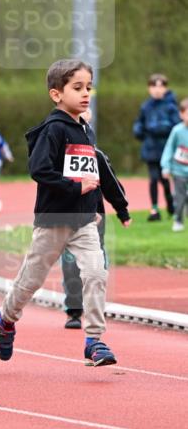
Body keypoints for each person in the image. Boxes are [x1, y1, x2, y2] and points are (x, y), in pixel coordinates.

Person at [0, 58, 131, 367]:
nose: (85, 94)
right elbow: (39, 170)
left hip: (84, 222)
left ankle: (95, 341)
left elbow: (98, 173)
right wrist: (74, 188)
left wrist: (113, 206)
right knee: (30, 280)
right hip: (53, 220)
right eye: (77, 88)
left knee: (96, 273)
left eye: (88, 88)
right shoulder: (53, 129)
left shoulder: (86, 131)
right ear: (56, 94)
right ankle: (5, 319)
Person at [60, 107, 129, 329]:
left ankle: (95, 307)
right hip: (67, 218)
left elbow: (112, 186)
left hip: (94, 217)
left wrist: (122, 210)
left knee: (96, 265)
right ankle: (73, 310)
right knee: (70, 264)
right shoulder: (59, 158)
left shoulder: (97, 157)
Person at [133, 73, 180, 221]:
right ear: (149, 88)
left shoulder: (171, 106)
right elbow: (139, 122)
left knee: (165, 180)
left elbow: (176, 125)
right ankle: (154, 210)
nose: (157, 89)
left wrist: (160, 127)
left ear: (165, 88)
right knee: (153, 179)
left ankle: (171, 204)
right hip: (150, 148)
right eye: (154, 86)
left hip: (166, 149)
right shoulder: (146, 106)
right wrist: (138, 130)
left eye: (161, 86)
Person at [160, 97, 188, 232]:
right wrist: (166, 166)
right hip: (179, 171)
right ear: (181, 114)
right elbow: (169, 149)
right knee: (180, 196)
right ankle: (178, 220)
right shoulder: (177, 131)